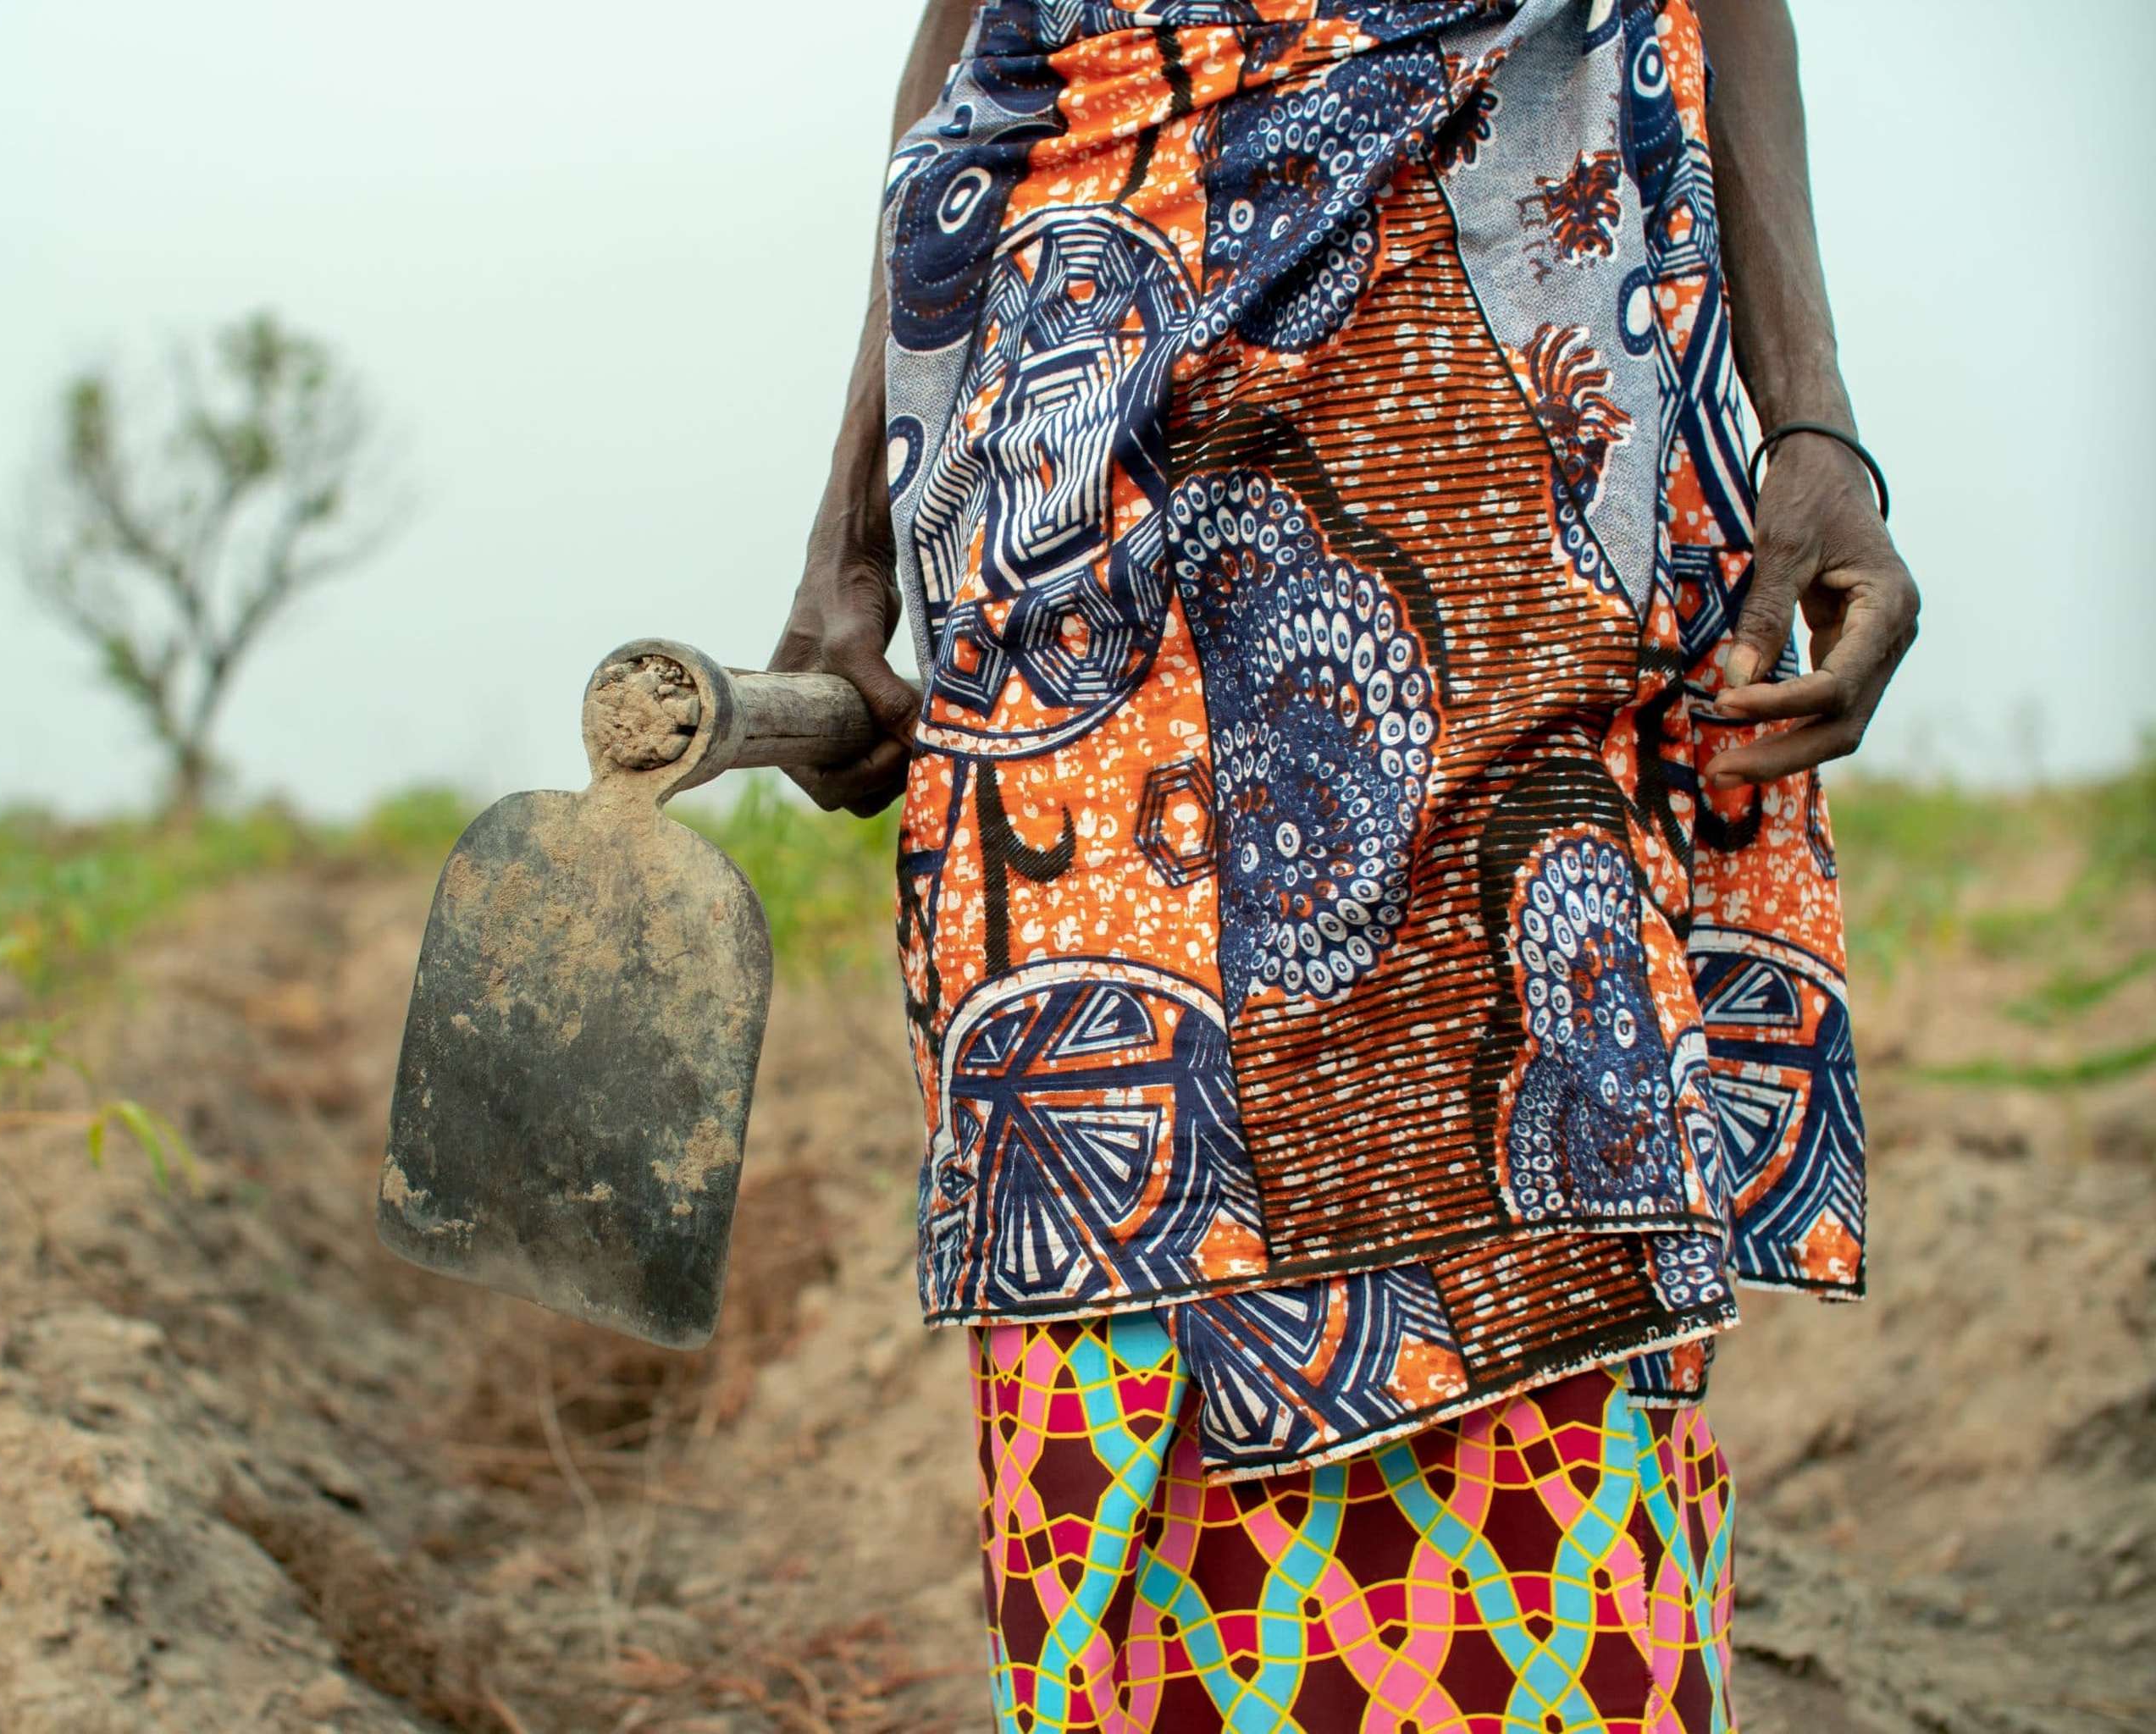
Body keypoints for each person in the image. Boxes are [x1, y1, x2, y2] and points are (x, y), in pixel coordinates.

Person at [771, 2, 1919, 1728]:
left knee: (1534, 1148)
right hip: (1072, 418)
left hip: (1507, 369)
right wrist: (852, 539)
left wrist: (1811, 420)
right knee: (1118, 1201)